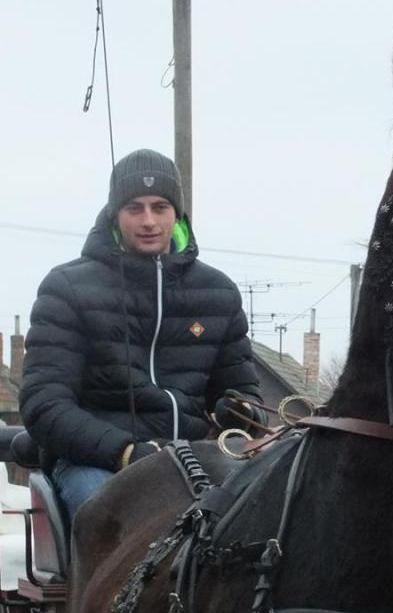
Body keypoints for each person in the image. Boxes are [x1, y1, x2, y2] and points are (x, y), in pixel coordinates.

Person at [20, 148, 262, 517]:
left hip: (198, 462)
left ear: (176, 214)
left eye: (160, 207)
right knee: (118, 520)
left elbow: (243, 394)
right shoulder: (66, 288)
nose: (148, 221)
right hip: (97, 463)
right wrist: (127, 452)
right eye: (135, 208)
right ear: (115, 214)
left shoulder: (220, 293)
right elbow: (44, 405)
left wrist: (243, 412)